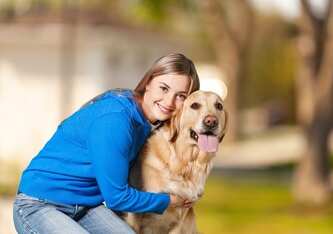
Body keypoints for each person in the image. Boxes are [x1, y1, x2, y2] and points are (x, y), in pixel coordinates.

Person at [13, 53, 201, 234]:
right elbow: (117, 198)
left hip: (85, 207)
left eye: (181, 96)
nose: (169, 101)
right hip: (39, 204)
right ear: (149, 82)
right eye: (164, 88)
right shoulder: (116, 120)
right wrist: (169, 201)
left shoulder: (146, 123)